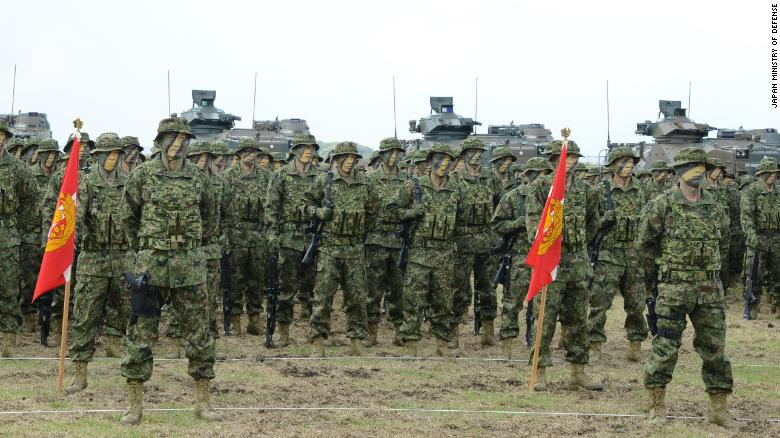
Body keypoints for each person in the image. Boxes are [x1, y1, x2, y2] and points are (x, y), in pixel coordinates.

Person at [120, 116, 221, 424]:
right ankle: (134, 405)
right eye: (172, 139)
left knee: (199, 334)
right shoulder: (143, 175)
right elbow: (128, 217)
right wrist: (145, 250)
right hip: (151, 268)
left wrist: (190, 247)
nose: (178, 144)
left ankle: (202, 402)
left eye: (182, 140)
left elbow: (211, 217)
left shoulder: (198, 178)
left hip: (189, 266)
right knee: (141, 334)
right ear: (161, 141)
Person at [637, 147, 742, 429]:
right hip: (673, 290)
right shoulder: (662, 205)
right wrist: (655, 283)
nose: (698, 172)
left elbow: (724, 245)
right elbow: (645, 247)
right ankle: (656, 407)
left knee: (715, 350)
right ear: (679, 172)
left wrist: (719, 280)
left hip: (709, 291)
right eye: (692, 167)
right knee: (665, 348)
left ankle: (719, 409)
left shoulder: (715, 207)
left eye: (702, 167)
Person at [525, 139, 603, 391]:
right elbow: (533, 224)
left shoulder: (585, 190)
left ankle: (578, 370)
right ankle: (541, 370)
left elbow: (593, 222)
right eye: (564, 158)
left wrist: (577, 243)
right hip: (551, 262)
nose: (569, 163)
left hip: (577, 261)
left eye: (573, 158)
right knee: (545, 318)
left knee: (578, 318)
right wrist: (547, 248)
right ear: (552, 161)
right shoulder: (540, 187)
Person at [65, 135, 132, 394]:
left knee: (131, 317)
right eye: (108, 154)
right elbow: (75, 216)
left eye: (116, 154)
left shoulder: (128, 183)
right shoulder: (86, 183)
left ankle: (135, 373)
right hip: (93, 259)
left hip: (123, 257)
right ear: (98, 157)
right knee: (85, 317)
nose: (112, 159)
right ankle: (80, 374)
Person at [387, 143, 463, 357]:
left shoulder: (456, 189)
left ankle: (442, 345)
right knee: (413, 300)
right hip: (419, 254)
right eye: (439, 161)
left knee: (444, 301)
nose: (443, 166)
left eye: (448, 162)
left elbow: (462, 218)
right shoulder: (414, 187)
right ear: (429, 163)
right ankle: (410, 345)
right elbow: (391, 209)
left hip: (445, 254)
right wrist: (411, 213)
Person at [305, 141, 376, 357]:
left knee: (357, 298)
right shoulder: (324, 181)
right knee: (323, 299)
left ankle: (356, 341)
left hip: (354, 249)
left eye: (353, 158)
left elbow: (373, 211)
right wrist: (318, 212)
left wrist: (359, 230)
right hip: (329, 248)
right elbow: (304, 204)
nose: (349, 162)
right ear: (335, 160)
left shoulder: (365, 182)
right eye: (345, 158)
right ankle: (318, 341)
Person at [587, 147, 649, 362]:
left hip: (634, 255)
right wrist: (605, 219)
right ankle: (595, 346)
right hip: (608, 255)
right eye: (623, 161)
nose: (629, 165)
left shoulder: (643, 190)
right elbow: (589, 225)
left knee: (636, 304)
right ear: (613, 165)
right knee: (599, 303)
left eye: (631, 161)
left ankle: (635, 346)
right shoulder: (599, 191)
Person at [491, 157, 551, 359]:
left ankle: (537, 347)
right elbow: (497, 224)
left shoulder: (553, 199)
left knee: (542, 306)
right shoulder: (513, 198)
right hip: (520, 258)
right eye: (537, 175)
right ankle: (507, 345)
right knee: (512, 303)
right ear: (527, 176)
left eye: (545, 175)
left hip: (544, 259)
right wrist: (517, 223)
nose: (541, 180)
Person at [264, 134, 320, 346]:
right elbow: (272, 209)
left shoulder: (321, 177)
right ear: (294, 151)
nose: (308, 152)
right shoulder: (281, 176)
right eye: (303, 148)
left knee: (316, 290)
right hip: (288, 239)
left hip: (313, 239)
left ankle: (316, 336)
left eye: (311, 148)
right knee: (285, 291)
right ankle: (284, 334)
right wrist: (272, 235)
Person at [450, 138, 500, 348]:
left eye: (480, 151)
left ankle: (488, 331)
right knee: (459, 288)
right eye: (472, 152)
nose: (477, 155)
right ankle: (454, 332)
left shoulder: (491, 178)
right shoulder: (454, 179)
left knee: (488, 287)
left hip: (487, 239)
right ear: (464, 155)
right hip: (462, 240)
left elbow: (500, 204)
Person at [222, 139, 274, 336]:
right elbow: (223, 208)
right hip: (236, 235)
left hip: (259, 236)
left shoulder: (267, 177)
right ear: (239, 155)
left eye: (255, 152)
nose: (252, 155)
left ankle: (254, 319)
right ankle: (235, 320)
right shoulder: (228, 177)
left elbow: (272, 207)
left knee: (257, 280)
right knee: (235, 279)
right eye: (248, 152)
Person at [0, 120, 38, 357]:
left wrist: (17, 226)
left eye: (2, 135)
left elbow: (31, 198)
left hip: (8, 238)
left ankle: (8, 339)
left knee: (8, 288)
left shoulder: (16, 168)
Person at [364, 138, 406, 347]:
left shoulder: (407, 180)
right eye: (390, 152)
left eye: (398, 152)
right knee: (374, 289)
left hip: (398, 242)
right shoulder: (370, 180)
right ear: (382, 155)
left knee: (399, 289)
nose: (394, 156)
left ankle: (399, 330)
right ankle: (371, 332)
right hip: (376, 241)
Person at [740, 156, 780, 318]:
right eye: (769, 173)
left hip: (777, 239)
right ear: (761, 174)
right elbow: (746, 217)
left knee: (778, 274)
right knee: (754, 274)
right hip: (758, 239)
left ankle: (777, 304)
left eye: (775, 173)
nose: (773, 176)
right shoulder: (751, 192)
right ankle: (752, 305)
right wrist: (753, 237)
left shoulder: (778, 192)